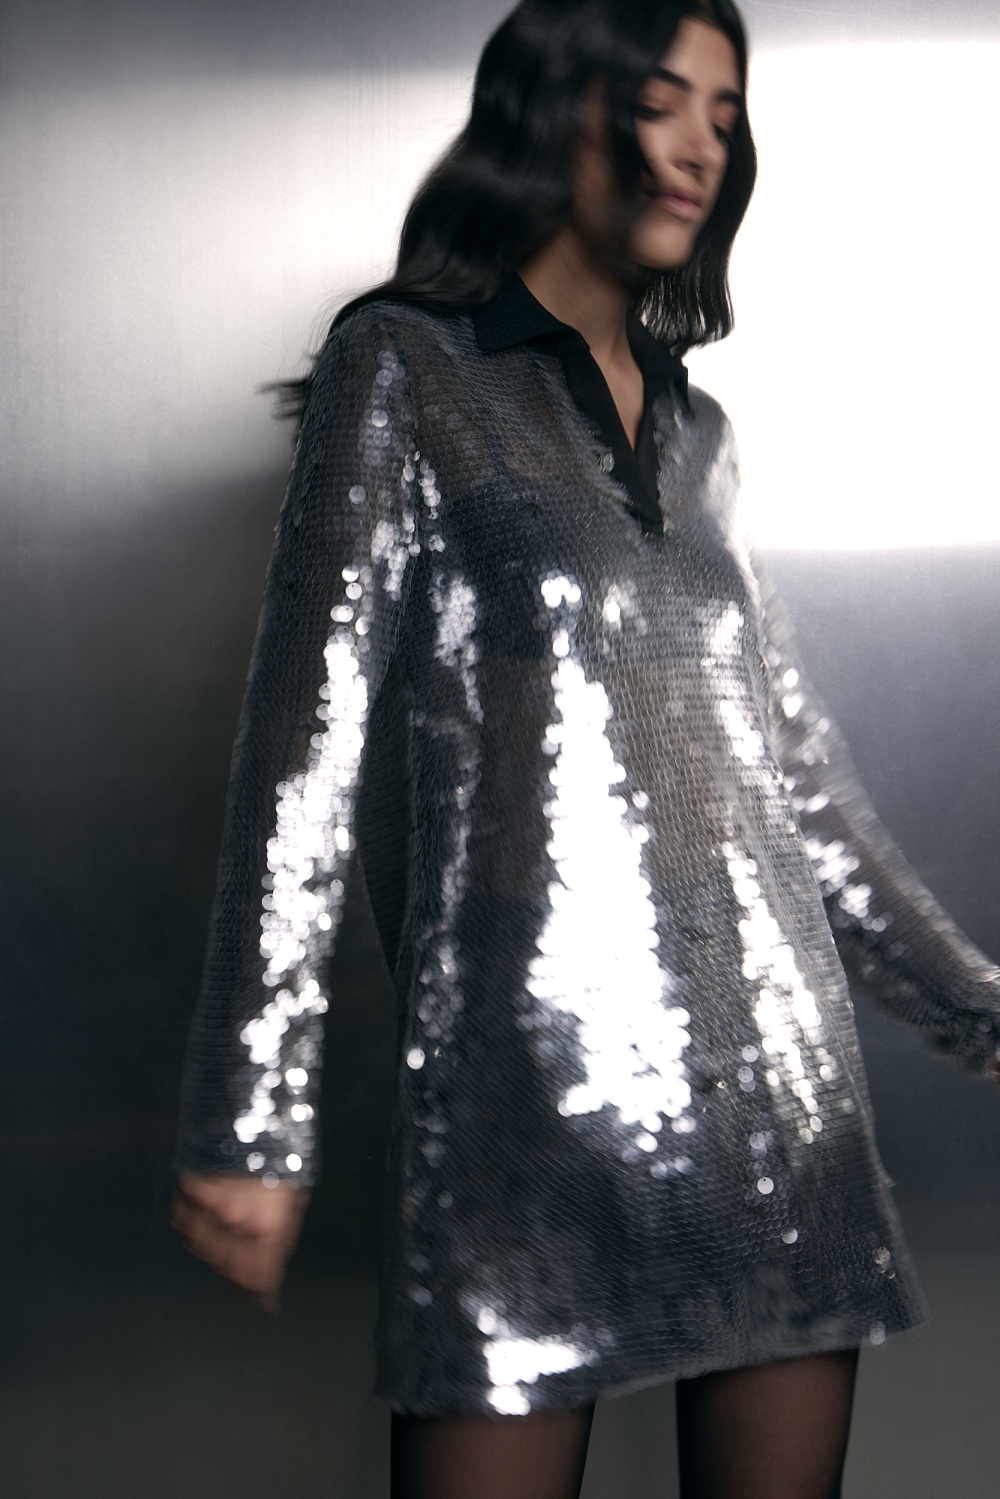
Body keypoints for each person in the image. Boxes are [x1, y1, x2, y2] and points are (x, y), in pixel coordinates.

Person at [169, 2, 1000, 1494]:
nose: (700, 147)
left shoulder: (700, 434)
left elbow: (801, 796)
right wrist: (251, 1114)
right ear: (556, 110)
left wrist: (986, 1013)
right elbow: (305, 762)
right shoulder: (404, 367)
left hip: (778, 1100)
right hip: (519, 1112)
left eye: (725, 116)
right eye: (661, 101)